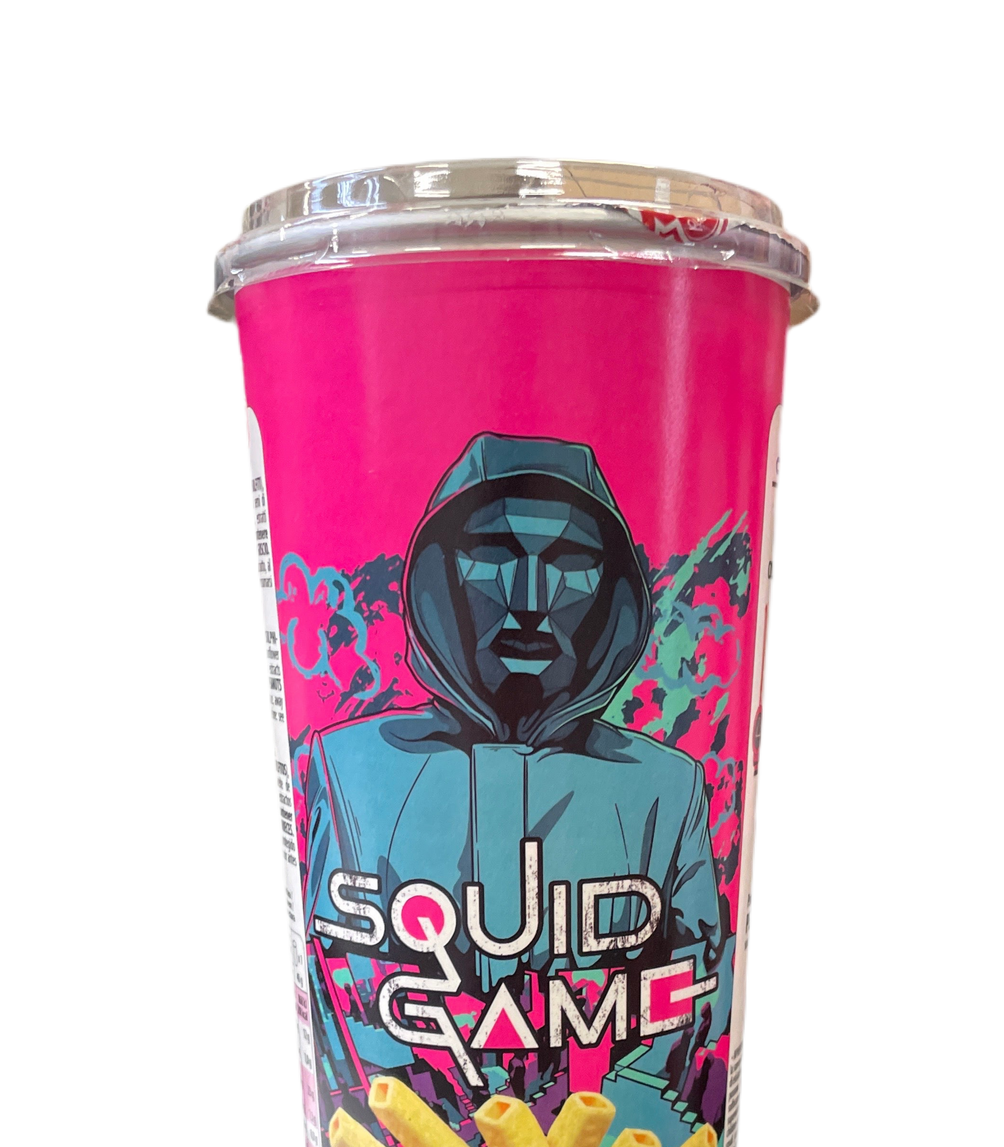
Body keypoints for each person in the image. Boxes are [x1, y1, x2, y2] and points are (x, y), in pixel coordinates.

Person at [304, 433, 733, 1108]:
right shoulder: (347, 765)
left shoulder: (666, 786)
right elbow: (329, 997)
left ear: (612, 592)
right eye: (490, 553)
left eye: (572, 561)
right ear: (438, 574)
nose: (530, 596)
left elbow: (698, 1003)